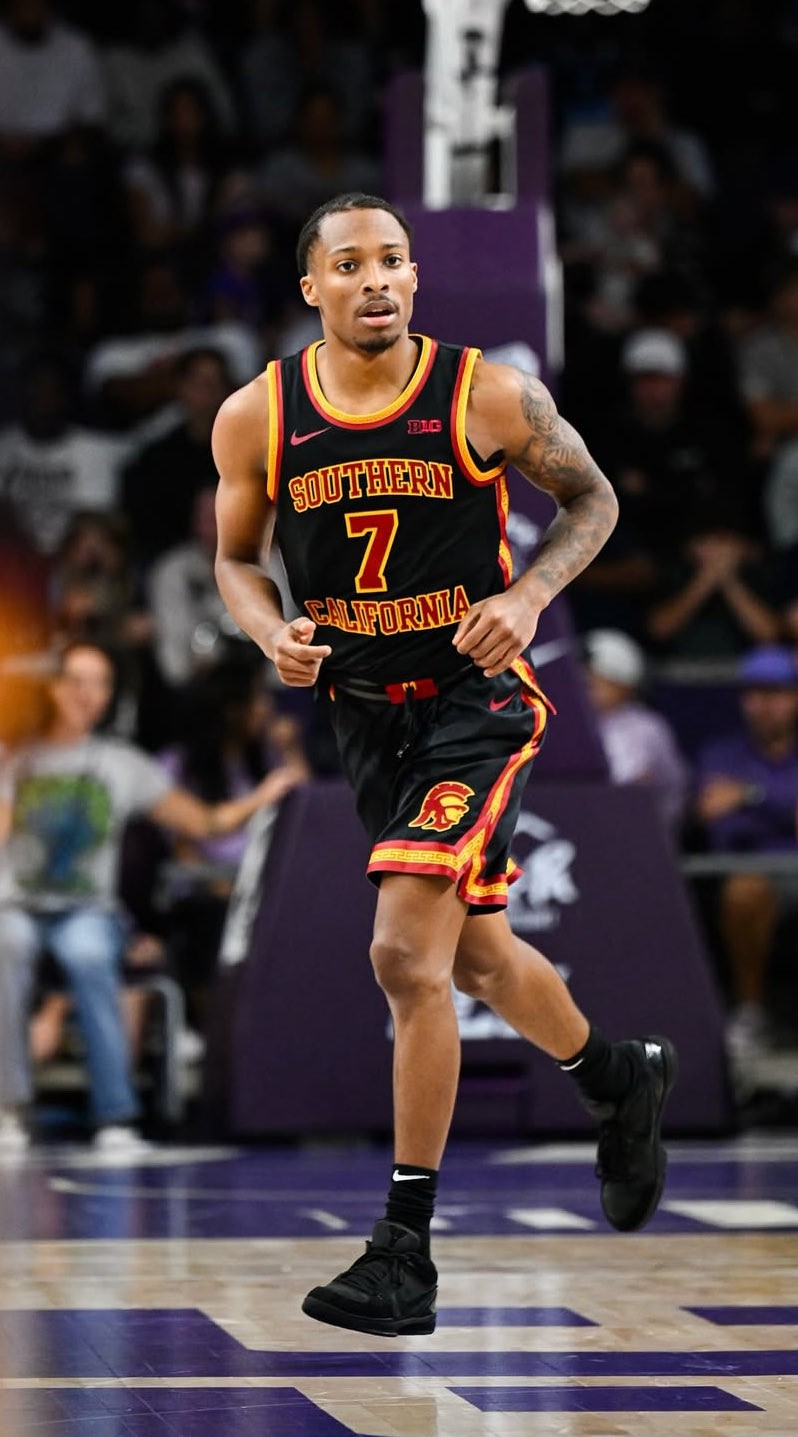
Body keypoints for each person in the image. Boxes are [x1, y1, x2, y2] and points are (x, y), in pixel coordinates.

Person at [212, 191, 678, 1337]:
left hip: (476, 701)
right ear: (313, 287)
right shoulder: (257, 415)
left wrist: (529, 595)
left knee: (400, 954)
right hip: (365, 713)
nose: (377, 279)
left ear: (416, 278)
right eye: (351, 264)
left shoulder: (486, 394)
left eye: (395, 260)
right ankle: (616, 1077)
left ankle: (404, 1249)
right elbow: (235, 560)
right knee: (474, 958)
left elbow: (594, 498)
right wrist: (268, 631)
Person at [0, 639, 305, 1155]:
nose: (88, 694)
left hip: (87, 910)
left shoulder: (121, 764)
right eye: (77, 681)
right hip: (17, 906)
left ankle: (114, 1116)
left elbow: (204, 822)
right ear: (53, 688)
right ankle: (8, 1107)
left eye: (101, 684)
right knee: (7, 944)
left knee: (88, 952)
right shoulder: (18, 760)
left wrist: (263, 794)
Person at [693, 645, 798, 1060]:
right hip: (747, 866)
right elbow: (714, 818)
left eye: (775, 694)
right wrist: (781, 807)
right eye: (754, 694)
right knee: (744, 891)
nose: (764, 705)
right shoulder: (722, 753)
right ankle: (751, 1012)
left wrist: (749, 796)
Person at [583, 628, 689, 838]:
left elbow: (672, 789)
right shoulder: (564, 721)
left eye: (594, 681)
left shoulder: (648, 727)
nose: (586, 685)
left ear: (624, 685)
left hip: (637, 834)